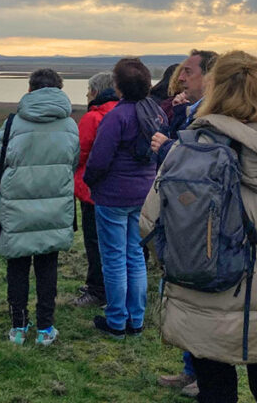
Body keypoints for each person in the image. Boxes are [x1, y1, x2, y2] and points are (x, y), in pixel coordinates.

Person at [141, 50, 257, 403]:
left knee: (215, 387)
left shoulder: (189, 148)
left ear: (215, 88)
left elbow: (149, 221)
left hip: (202, 283)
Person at [0, 68, 79, 347]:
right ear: (60, 89)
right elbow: (72, 163)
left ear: (30, 90)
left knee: (17, 264)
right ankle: (45, 327)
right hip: (55, 204)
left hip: (16, 204)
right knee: (47, 264)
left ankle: (18, 327)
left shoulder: (13, 122)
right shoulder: (70, 124)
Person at [150, 48, 218, 398]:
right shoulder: (190, 110)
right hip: (184, 217)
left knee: (198, 297)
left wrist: (165, 149)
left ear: (211, 77)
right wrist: (175, 114)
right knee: (185, 294)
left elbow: (197, 169)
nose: (181, 78)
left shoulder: (215, 117)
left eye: (189, 71)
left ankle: (200, 375)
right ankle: (191, 369)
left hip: (200, 222)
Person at [83, 57, 161, 339]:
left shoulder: (117, 115)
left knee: (114, 258)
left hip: (113, 196)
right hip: (143, 194)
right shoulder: (155, 112)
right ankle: (136, 318)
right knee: (135, 256)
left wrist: (89, 181)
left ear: (118, 86)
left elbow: (99, 159)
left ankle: (117, 319)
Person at [71, 71, 118, 309]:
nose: (87, 95)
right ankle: (114, 287)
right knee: (117, 242)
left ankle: (97, 289)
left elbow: (79, 153)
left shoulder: (93, 117)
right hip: (121, 190)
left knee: (94, 241)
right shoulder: (123, 111)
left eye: (89, 91)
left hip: (92, 190)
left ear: (96, 92)